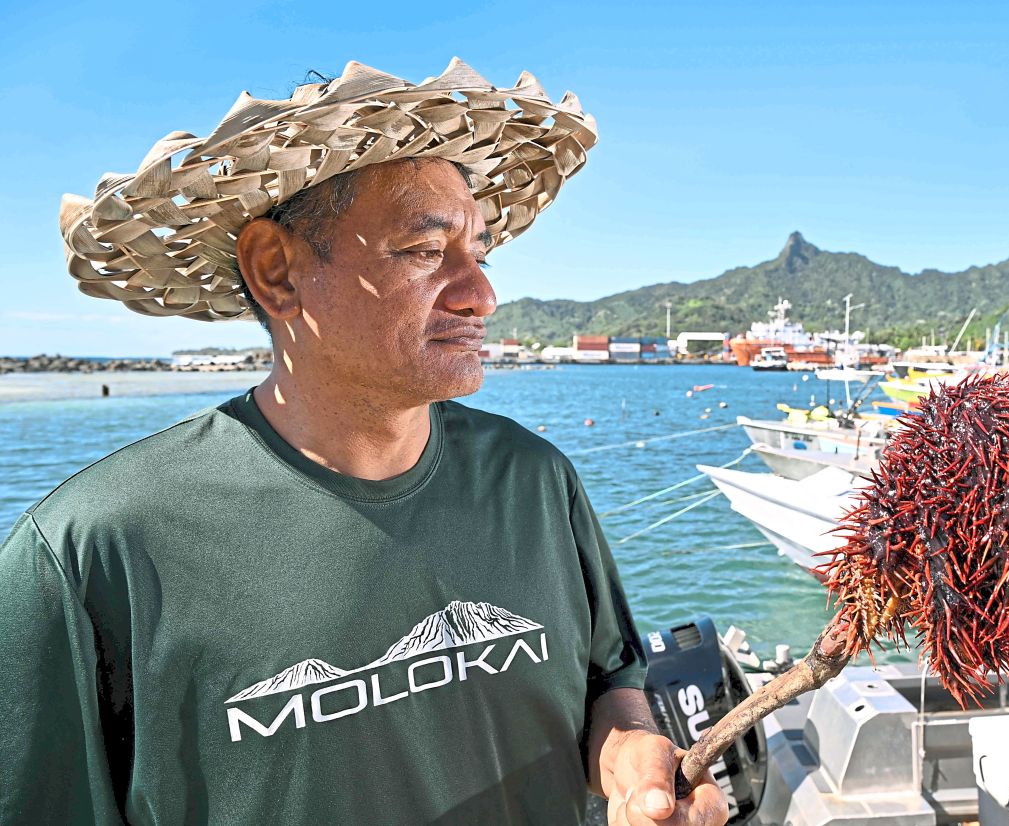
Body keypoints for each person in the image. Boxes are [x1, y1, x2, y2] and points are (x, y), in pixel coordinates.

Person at [1, 59, 727, 826]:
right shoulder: (93, 552)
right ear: (275, 271)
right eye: (423, 251)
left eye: (480, 253)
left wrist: (629, 762)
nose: (482, 293)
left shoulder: (534, 477)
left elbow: (609, 679)